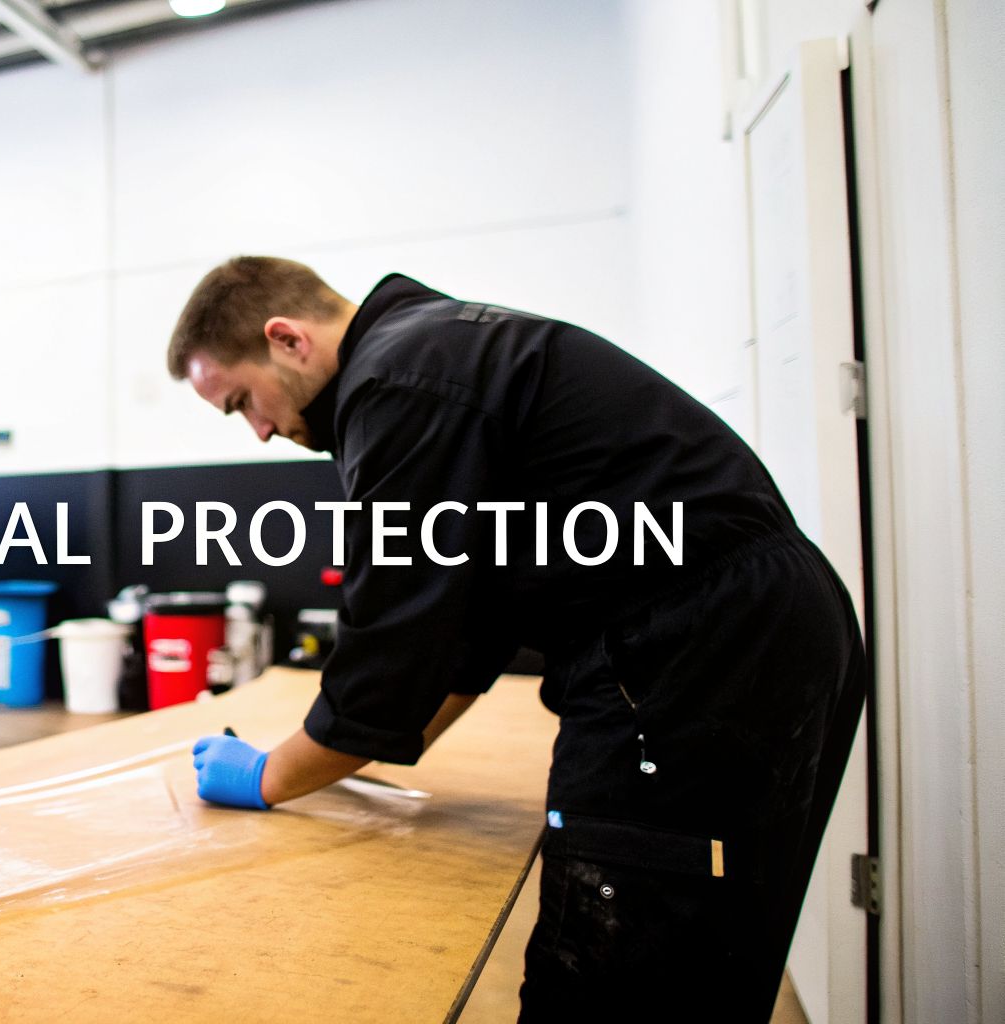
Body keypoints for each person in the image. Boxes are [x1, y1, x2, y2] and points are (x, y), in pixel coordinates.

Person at [170, 256, 865, 1021]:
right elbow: (472, 631)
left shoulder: (399, 384)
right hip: (764, 625)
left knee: (614, 980)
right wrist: (376, 746)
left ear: (287, 340)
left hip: (692, 650)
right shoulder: (444, 349)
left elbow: (388, 650)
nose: (261, 432)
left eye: (241, 402)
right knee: (705, 964)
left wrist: (269, 776)